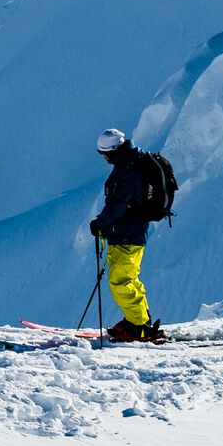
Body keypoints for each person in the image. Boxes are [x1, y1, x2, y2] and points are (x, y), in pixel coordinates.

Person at [92, 128, 164, 342]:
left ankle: (139, 327)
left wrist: (100, 223)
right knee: (128, 279)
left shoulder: (127, 170)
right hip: (129, 232)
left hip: (128, 233)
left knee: (120, 280)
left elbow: (118, 204)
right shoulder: (132, 163)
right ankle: (138, 321)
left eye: (104, 153)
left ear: (112, 150)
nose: (104, 157)